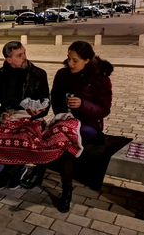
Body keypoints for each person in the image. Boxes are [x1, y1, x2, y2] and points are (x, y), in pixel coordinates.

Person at [21, 40, 113, 213]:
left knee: (64, 139)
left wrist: (83, 104)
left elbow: (104, 109)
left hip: (89, 126)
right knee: (60, 138)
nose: (70, 63)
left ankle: (47, 175)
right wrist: (64, 111)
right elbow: (55, 99)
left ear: (87, 60)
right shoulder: (63, 74)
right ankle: (63, 188)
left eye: (75, 60)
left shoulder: (100, 78)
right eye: (68, 58)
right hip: (64, 121)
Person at [0, 41, 50, 190]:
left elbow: (46, 102)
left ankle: (8, 173)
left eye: (24, 52)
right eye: (19, 55)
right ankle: (17, 169)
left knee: (24, 138)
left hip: (30, 117)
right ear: (9, 59)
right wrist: (0, 115)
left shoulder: (38, 74)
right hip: (9, 115)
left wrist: (38, 111)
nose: (25, 57)